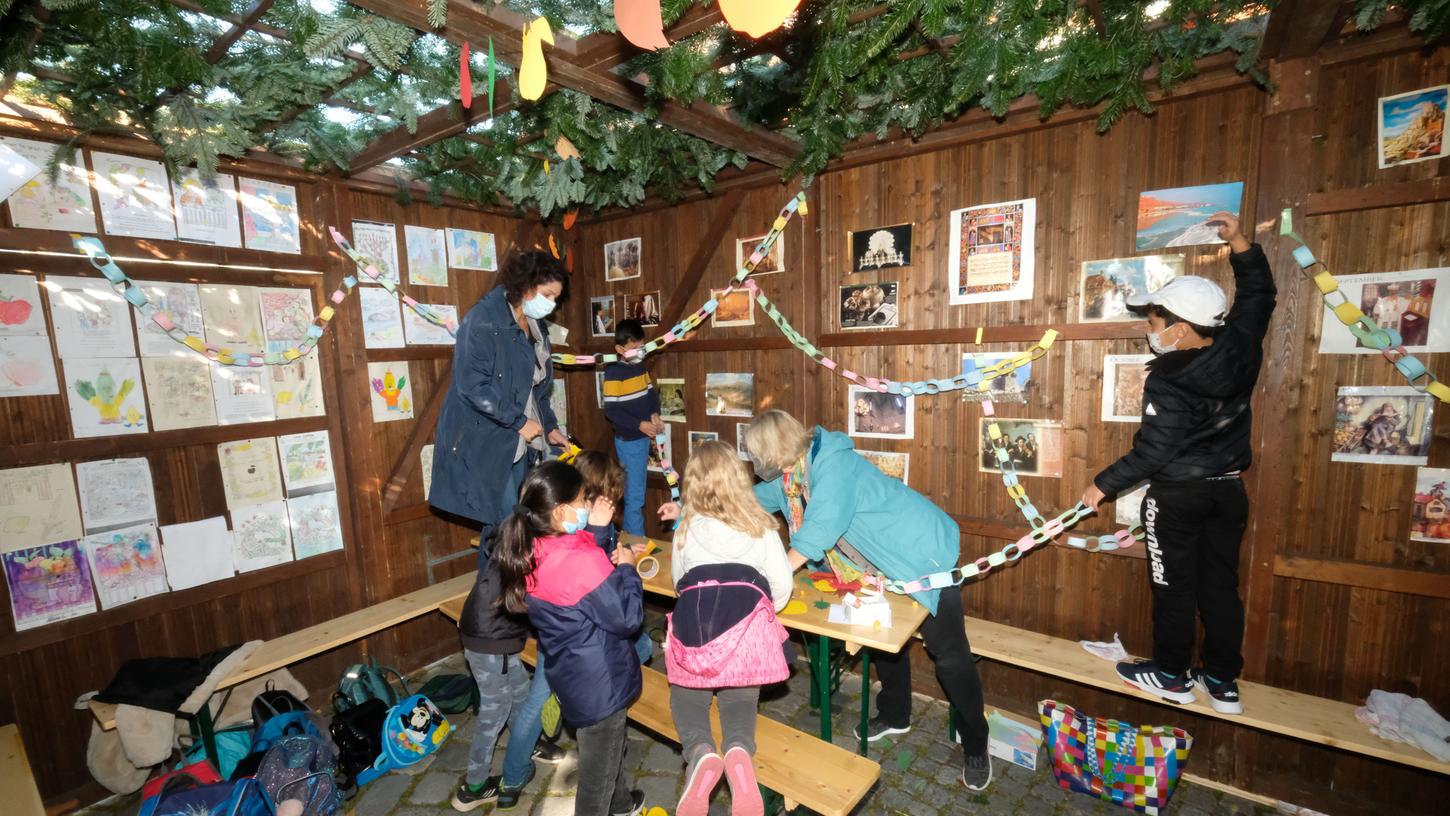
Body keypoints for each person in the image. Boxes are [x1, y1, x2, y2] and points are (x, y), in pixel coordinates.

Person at [1079, 212, 1275, 716]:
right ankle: (1221, 681)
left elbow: (1154, 452)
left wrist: (1101, 486)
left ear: (1182, 329)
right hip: (1227, 492)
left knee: (1173, 587)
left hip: (1178, 498)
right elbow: (1259, 298)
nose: (1151, 329)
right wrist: (1240, 245)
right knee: (1220, 588)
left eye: (1154, 321)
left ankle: (1170, 675)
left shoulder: (1169, 380)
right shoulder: (1240, 347)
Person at [743, 410, 995, 792]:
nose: (761, 465)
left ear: (775, 451)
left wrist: (777, 576)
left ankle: (977, 741)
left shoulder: (832, 467)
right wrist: (695, 505)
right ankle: (895, 714)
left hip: (921, 554)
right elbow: (750, 499)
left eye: (760, 455)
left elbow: (819, 530)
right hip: (880, 567)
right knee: (881, 638)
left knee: (949, 654)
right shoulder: (793, 476)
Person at [495, 461, 646, 816]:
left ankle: (622, 804)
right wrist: (626, 569)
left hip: (572, 673)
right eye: (582, 500)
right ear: (561, 511)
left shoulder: (531, 547)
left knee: (607, 750)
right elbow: (627, 617)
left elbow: (574, 569)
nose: (587, 506)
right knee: (597, 777)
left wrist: (595, 530)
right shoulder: (581, 562)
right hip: (601, 683)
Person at [666, 442, 793, 816]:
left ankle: (701, 752)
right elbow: (781, 588)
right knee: (739, 698)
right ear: (742, 480)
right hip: (745, 633)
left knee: (687, 696)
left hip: (696, 628)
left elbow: (679, 583)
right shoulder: (762, 528)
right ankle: (738, 750)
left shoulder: (685, 527)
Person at [430, 250, 570, 547]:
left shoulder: (536, 326)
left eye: (556, 298)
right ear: (527, 285)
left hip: (518, 441)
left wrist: (550, 426)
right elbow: (471, 385)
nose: (551, 303)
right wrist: (519, 421)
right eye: (547, 294)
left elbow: (538, 388)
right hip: (485, 440)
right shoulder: (482, 319)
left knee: (513, 524)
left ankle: (501, 590)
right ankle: (496, 592)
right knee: (507, 525)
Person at [450, 526, 539, 811]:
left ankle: (525, 742)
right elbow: (535, 605)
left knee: (520, 688)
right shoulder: (523, 563)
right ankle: (474, 787)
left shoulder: (507, 549)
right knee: (495, 709)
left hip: (493, 637)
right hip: (490, 643)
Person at [574, 450, 654, 664]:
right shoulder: (581, 524)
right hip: (587, 618)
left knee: (643, 644)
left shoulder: (598, 519)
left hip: (593, 609)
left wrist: (621, 553)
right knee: (643, 645)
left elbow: (598, 557)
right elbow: (587, 568)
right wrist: (626, 567)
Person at [601, 319, 663, 536]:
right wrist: (639, 424)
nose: (640, 351)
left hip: (642, 438)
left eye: (642, 346)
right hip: (630, 441)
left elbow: (650, 394)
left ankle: (632, 540)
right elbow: (612, 411)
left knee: (635, 493)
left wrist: (654, 414)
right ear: (620, 349)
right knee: (634, 497)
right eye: (634, 347)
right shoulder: (613, 372)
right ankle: (637, 543)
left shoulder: (639, 367)